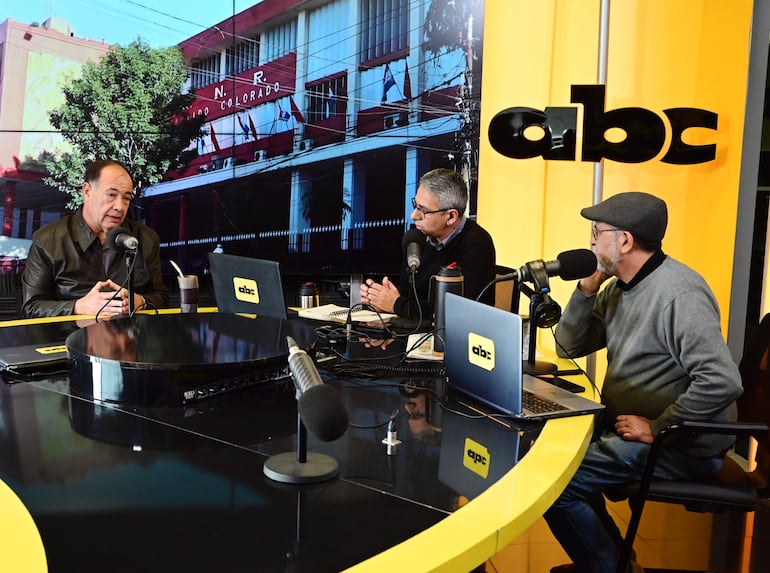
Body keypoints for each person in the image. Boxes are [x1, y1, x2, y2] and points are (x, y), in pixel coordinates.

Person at [544, 192, 743, 573]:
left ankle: (610, 569)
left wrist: (658, 427)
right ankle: (613, 561)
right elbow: (568, 346)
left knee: (556, 484)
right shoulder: (617, 288)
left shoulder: (680, 294)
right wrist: (586, 290)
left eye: (597, 232)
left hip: (682, 444)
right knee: (561, 464)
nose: (590, 240)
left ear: (625, 241)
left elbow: (722, 380)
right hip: (633, 431)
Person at [22, 159, 168, 318]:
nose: (119, 207)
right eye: (111, 195)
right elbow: (31, 307)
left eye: (126, 198)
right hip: (69, 338)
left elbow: (162, 298)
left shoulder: (146, 239)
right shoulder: (47, 240)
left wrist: (141, 301)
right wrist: (78, 306)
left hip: (131, 337)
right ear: (87, 191)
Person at [360, 168, 496, 319]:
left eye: (423, 210)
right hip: (415, 331)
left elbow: (456, 312)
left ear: (451, 216)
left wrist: (396, 305)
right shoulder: (415, 239)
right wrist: (381, 298)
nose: (413, 215)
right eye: (415, 205)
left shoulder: (477, 244)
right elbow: (406, 297)